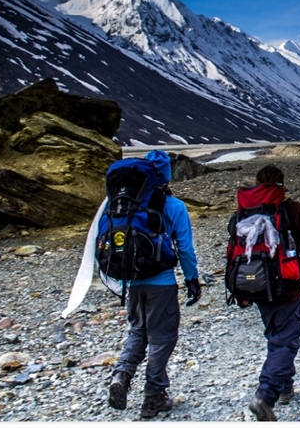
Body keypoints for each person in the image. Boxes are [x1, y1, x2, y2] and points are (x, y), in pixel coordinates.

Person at [107, 150, 202, 418]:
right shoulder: (173, 206)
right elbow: (184, 248)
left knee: (138, 331)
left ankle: (121, 376)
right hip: (161, 282)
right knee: (163, 338)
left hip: (131, 280)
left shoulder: (119, 203)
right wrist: (192, 280)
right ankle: (154, 395)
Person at [244, 165, 300, 422]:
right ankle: (266, 395)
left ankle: (285, 387)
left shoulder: (247, 211)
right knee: (286, 338)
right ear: (283, 184)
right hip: (288, 284)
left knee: (275, 332)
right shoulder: (293, 209)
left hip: (256, 283)